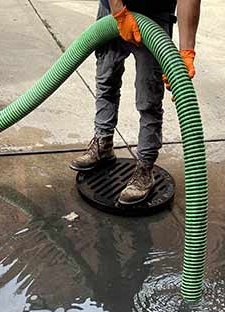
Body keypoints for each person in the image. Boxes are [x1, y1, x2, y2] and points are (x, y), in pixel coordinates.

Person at [70, 0, 201, 205]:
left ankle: (145, 169)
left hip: (155, 16)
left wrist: (187, 51)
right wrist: (118, 12)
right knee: (106, 81)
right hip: (112, 11)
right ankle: (103, 144)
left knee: (148, 100)